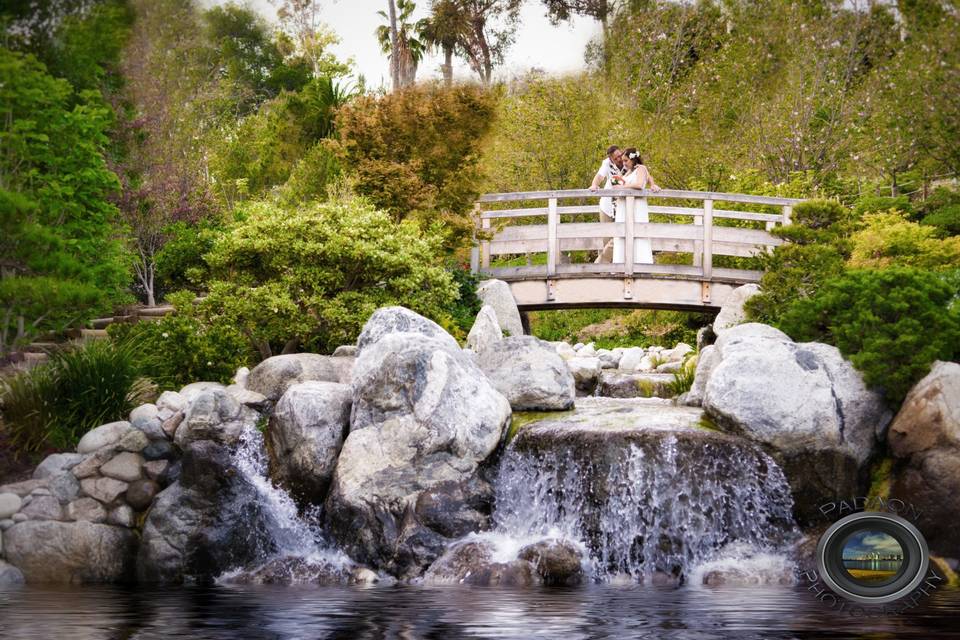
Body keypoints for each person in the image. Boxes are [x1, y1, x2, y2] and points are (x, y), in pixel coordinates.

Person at [612, 148, 661, 265]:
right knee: (622, 233)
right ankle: (622, 264)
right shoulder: (627, 172)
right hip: (624, 205)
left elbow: (639, 184)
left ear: (633, 159)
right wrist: (617, 181)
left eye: (626, 160)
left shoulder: (641, 168)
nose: (624, 163)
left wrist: (623, 187)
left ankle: (641, 263)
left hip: (637, 205)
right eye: (623, 161)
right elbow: (649, 178)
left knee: (639, 232)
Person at [589, 145, 624, 263]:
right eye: (616, 158)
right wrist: (594, 185)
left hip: (622, 207)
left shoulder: (627, 161)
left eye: (620, 155)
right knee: (606, 239)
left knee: (619, 238)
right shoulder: (606, 164)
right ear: (611, 158)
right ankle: (604, 269)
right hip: (607, 206)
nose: (619, 159)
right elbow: (599, 176)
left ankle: (600, 264)